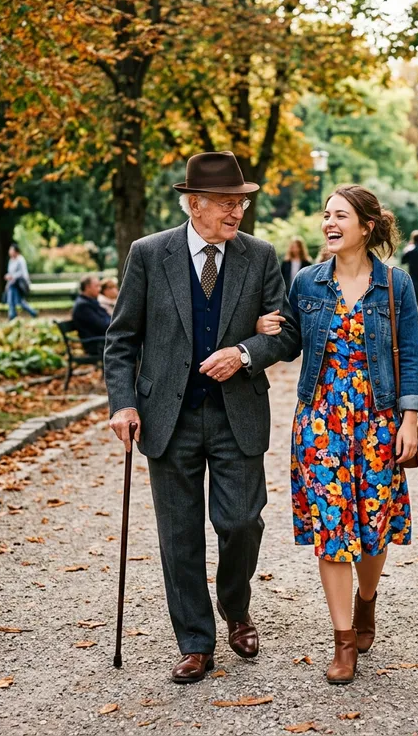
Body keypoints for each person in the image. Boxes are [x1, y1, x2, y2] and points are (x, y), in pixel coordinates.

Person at [104, 151, 298, 684]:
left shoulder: (259, 257)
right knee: (179, 536)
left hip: (238, 415)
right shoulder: (149, 254)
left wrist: (245, 351)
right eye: (226, 203)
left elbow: (285, 333)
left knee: (241, 523)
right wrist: (123, 403)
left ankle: (235, 606)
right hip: (169, 419)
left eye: (241, 202)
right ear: (194, 204)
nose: (237, 212)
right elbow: (121, 339)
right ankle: (195, 642)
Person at [256, 184, 418, 684]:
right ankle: (343, 641)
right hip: (321, 422)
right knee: (334, 531)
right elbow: (291, 343)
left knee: (373, 531)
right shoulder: (307, 283)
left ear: (367, 227)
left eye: (341, 216)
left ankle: (366, 599)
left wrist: (409, 419)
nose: (329, 223)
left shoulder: (395, 286)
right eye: (325, 215)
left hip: (377, 422)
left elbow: (410, 356)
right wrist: (267, 327)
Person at [72, 275, 112, 355]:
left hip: (102, 341)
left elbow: (106, 320)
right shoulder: (83, 306)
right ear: (87, 287)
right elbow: (102, 326)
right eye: (97, 286)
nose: (99, 289)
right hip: (96, 344)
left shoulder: (89, 302)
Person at [4, 244, 37, 320]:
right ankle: (12, 316)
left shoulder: (20, 259)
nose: (9, 251)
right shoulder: (11, 260)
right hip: (11, 284)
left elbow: (23, 273)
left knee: (18, 301)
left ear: (16, 251)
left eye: (11, 250)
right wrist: (8, 278)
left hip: (18, 284)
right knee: (11, 300)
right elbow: (10, 272)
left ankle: (32, 312)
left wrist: (13, 276)